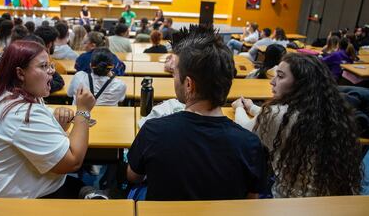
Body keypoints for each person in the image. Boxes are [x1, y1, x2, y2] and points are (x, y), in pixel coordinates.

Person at [127, 29, 267, 201]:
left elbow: (133, 176)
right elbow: (250, 200)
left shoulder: (153, 131)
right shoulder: (251, 144)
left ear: (188, 85)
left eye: (175, 73)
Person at [0, 40, 96, 198]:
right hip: (9, 205)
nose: (51, 72)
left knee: (83, 188)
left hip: (20, 189)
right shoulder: (21, 113)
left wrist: (57, 126)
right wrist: (83, 111)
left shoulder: (11, 96)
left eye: (50, 65)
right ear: (20, 73)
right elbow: (73, 161)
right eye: (43, 66)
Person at [233, 53, 361, 198]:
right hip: (331, 199)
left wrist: (239, 107)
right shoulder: (330, 113)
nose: (272, 82)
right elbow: (279, 117)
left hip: (290, 202)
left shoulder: (277, 114)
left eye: (280, 76)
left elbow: (244, 129)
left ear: (299, 84)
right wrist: (252, 107)